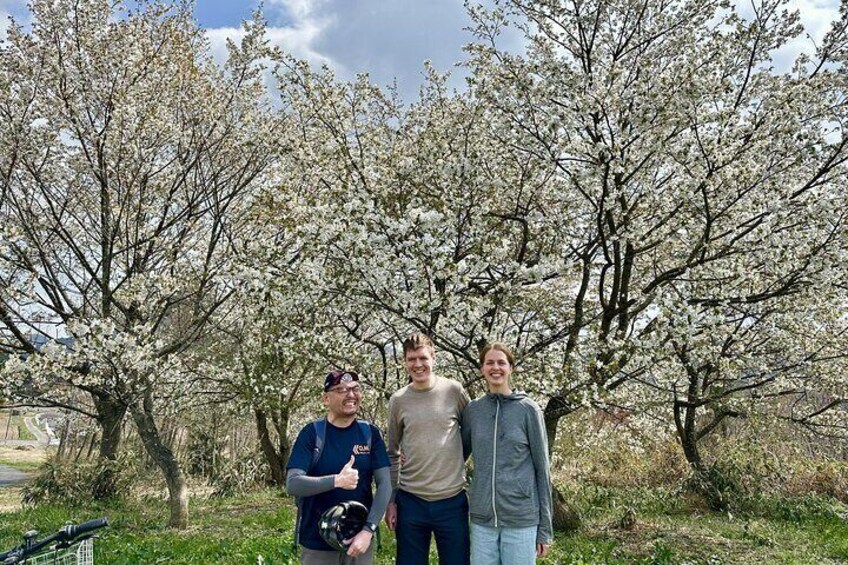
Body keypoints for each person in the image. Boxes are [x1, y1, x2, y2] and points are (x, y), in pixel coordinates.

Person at [461, 342, 553, 564]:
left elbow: (543, 470)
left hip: (521, 518)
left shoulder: (528, 410)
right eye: (489, 362)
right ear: (482, 368)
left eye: (501, 362)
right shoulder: (474, 410)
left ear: (511, 367)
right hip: (482, 520)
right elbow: (457, 454)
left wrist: (545, 529)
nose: (496, 368)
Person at [287, 370, 391, 565]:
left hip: (359, 542)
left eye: (355, 389)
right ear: (326, 399)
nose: (351, 395)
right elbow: (293, 484)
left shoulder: (370, 434)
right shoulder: (312, 434)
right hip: (318, 544)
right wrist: (336, 480)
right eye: (341, 390)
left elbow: (385, 484)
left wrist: (369, 531)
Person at [384, 332, 471, 565]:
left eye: (423, 358)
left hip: (452, 500)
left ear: (434, 358)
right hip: (411, 501)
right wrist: (391, 500)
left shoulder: (454, 391)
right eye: (411, 359)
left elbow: (470, 434)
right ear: (404, 362)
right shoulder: (398, 400)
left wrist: (453, 459)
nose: (418, 364)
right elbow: (392, 453)